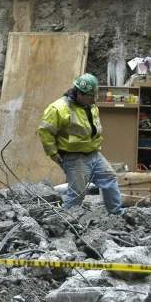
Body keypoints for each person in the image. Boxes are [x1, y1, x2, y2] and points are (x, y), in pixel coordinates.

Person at [38, 73, 123, 215]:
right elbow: (45, 130)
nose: (93, 99)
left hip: (93, 154)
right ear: (79, 94)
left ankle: (116, 214)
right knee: (77, 192)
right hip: (73, 156)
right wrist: (52, 152)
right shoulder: (58, 108)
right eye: (90, 96)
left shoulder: (90, 106)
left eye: (94, 96)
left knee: (109, 178)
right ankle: (66, 221)